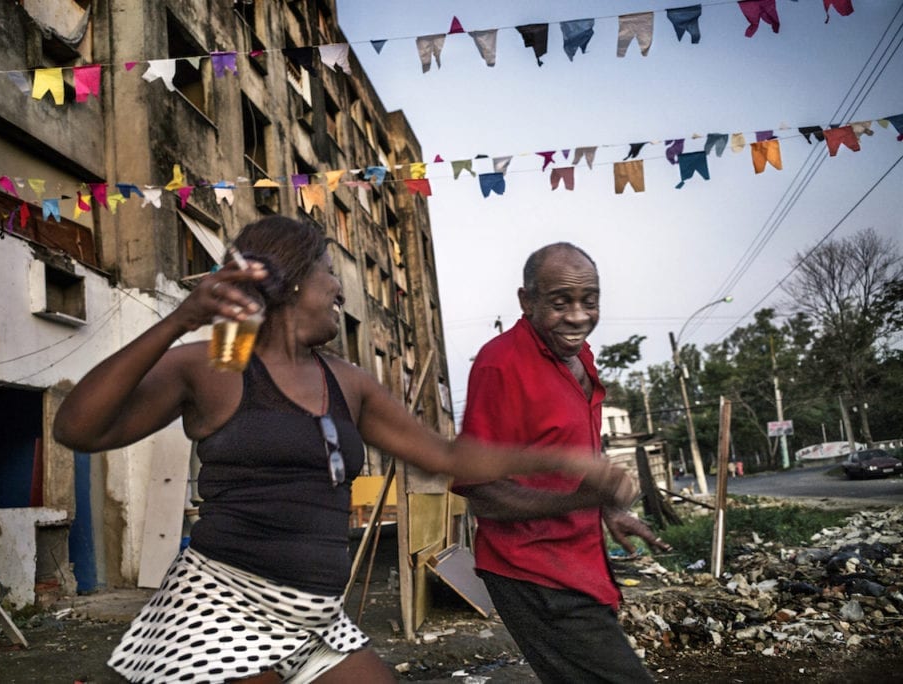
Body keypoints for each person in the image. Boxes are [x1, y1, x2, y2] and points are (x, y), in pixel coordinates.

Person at [52, 218, 638, 684]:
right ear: (290, 283)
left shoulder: (345, 380)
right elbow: (78, 429)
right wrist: (180, 319)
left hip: (312, 615)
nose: (337, 288)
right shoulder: (225, 364)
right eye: (328, 273)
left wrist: (563, 463)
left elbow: (448, 459)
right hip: (223, 606)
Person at [454, 242, 672, 683]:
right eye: (560, 302)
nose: (577, 316)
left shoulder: (580, 358)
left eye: (589, 301)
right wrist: (578, 501)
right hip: (533, 573)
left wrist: (608, 509)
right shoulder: (500, 365)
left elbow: (575, 462)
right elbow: (483, 495)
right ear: (526, 301)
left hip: (581, 564)